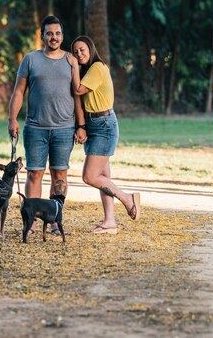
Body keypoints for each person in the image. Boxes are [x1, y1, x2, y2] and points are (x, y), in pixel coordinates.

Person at [8, 15, 86, 235]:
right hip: (35, 128)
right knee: (34, 173)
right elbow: (19, 91)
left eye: (58, 33)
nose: (54, 37)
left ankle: (54, 221)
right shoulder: (31, 59)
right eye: (50, 33)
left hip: (64, 128)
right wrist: (12, 119)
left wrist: (81, 125)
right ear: (42, 35)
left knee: (59, 175)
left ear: (62, 35)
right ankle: (31, 223)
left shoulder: (71, 60)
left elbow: (77, 94)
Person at [67, 35, 140, 234]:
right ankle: (110, 222)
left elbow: (78, 89)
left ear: (91, 49)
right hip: (93, 124)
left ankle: (127, 198)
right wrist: (81, 126)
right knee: (103, 177)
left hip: (104, 124)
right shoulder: (87, 71)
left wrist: (73, 66)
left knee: (90, 176)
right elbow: (79, 101)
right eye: (75, 52)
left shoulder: (97, 68)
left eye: (82, 50)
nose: (78, 54)